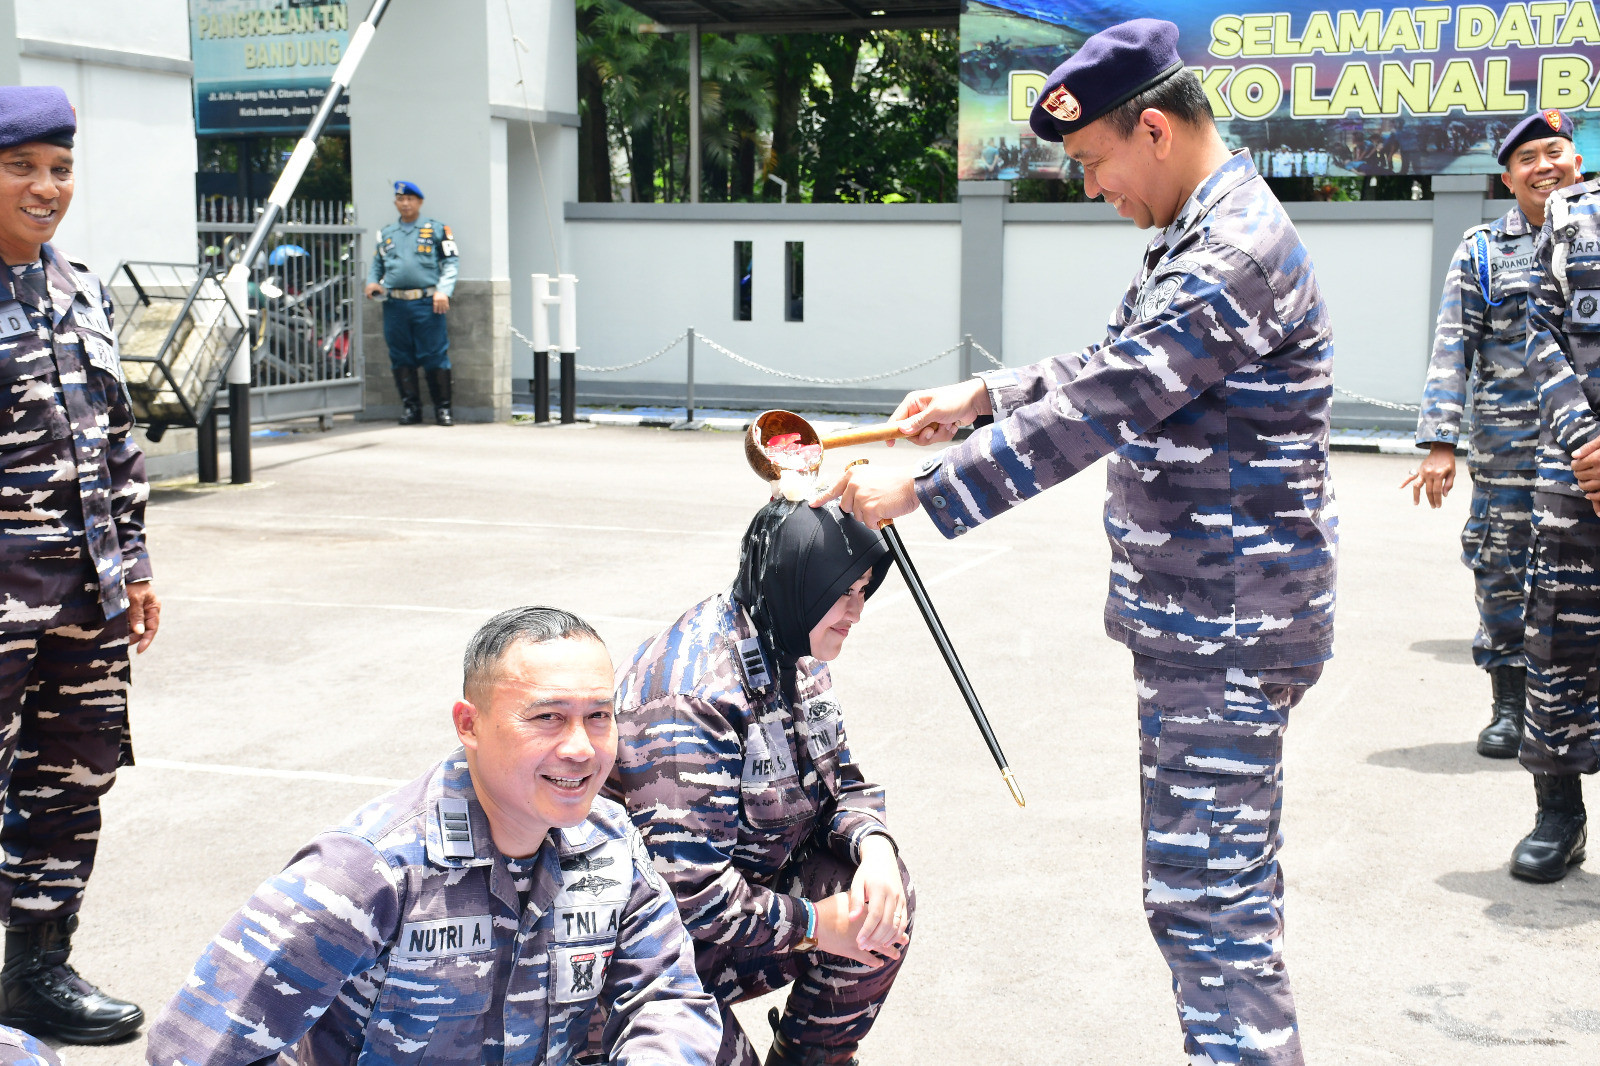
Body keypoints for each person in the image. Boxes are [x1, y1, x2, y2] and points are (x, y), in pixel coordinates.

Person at [816, 19, 1336, 1065]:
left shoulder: (1229, 251)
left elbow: (1108, 401)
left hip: (1226, 627)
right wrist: (983, 395)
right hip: (1208, 618)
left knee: (1209, 907)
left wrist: (919, 485)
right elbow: (1114, 358)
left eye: (1094, 161)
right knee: (1207, 895)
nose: (1093, 186)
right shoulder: (1198, 229)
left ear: (1152, 127)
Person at [145, 607, 722, 1065]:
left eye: (599, 716)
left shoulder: (609, 842)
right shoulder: (368, 870)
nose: (580, 747)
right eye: (548, 717)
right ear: (469, 724)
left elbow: (667, 999)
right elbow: (194, 1047)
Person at [608, 499, 913, 1066]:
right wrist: (818, 925)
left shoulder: (790, 636)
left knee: (882, 898)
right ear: (797, 581)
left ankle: (812, 1058)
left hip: (734, 915)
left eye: (863, 590)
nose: (857, 611)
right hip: (637, 950)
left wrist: (874, 847)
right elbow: (689, 896)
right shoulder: (694, 697)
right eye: (842, 593)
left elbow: (837, 782)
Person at [0, 85, 157, 1044]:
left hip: (84, 600)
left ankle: (35, 973)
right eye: (21, 167)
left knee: (69, 780)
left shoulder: (78, 285)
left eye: (59, 168)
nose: (45, 186)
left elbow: (116, 440)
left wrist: (133, 565)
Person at [1406, 111, 1584, 759]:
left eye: (1555, 152)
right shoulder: (1483, 252)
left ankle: (1572, 709)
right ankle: (1510, 705)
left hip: (1589, 454)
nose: (1545, 166)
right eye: (1528, 158)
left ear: (1578, 162)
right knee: (1503, 573)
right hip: (1509, 455)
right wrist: (1440, 443)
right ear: (1507, 179)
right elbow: (1453, 348)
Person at [1509, 169, 1600, 883]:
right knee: (1557, 636)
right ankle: (1558, 814)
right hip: (1577, 471)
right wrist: (1584, 440)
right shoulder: (1570, 217)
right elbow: (1540, 336)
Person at [364, 180, 458, 426]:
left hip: (427, 303)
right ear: (396, 202)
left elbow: (451, 262)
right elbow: (377, 263)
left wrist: (443, 291)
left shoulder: (436, 229)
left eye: (410, 199)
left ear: (419, 202)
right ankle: (411, 409)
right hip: (395, 304)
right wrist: (373, 282)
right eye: (400, 199)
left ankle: (443, 409)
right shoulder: (387, 233)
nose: (405, 204)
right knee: (400, 355)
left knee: (435, 355)